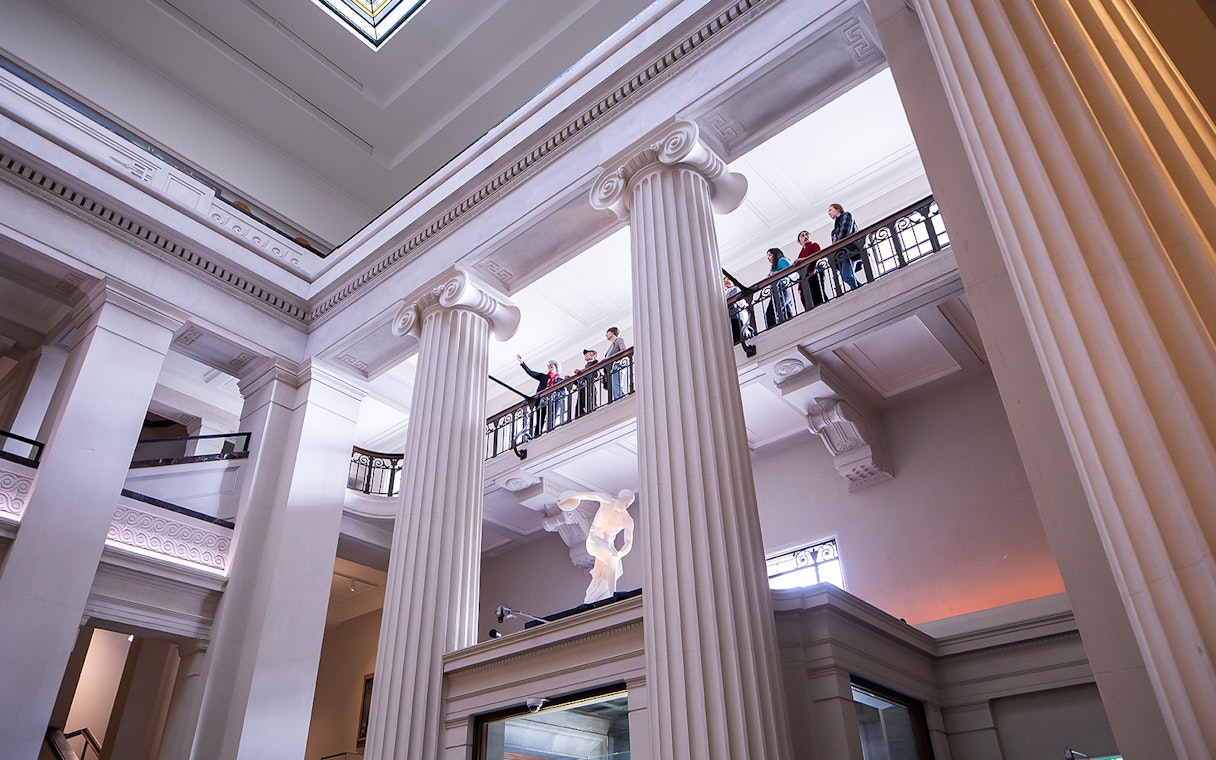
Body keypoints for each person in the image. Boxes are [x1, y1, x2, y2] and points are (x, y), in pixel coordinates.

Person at [556, 489, 636, 604]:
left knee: (615, 570)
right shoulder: (608, 501)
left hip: (607, 545)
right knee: (612, 558)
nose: (626, 505)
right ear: (620, 498)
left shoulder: (627, 519)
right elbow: (590, 496)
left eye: (629, 503)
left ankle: (598, 594)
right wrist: (573, 496)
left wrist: (621, 553)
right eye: (626, 501)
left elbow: (628, 542)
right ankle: (612, 594)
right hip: (594, 540)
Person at [517, 355, 563, 434]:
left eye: (551, 365)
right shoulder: (543, 377)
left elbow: (563, 391)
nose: (549, 366)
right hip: (541, 402)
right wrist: (522, 362)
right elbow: (531, 372)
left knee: (551, 418)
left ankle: (550, 432)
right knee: (539, 420)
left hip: (553, 402)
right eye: (549, 365)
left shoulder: (560, 380)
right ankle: (536, 435)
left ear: (556, 367)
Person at [828, 202, 862, 291]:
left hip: (850, 250)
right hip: (842, 254)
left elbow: (845, 233)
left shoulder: (846, 215)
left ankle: (859, 289)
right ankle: (857, 288)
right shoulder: (834, 230)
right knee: (845, 276)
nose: (829, 213)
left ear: (838, 209)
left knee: (846, 276)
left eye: (830, 210)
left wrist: (837, 244)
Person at [763, 247, 796, 328]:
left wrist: (776, 274)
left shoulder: (781, 260)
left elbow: (791, 270)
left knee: (770, 313)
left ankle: (773, 330)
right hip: (778, 291)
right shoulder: (774, 266)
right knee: (786, 312)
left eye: (770, 255)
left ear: (775, 254)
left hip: (782, 290)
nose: (768, 258)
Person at [794, 230, 825, 309]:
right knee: (807, 299)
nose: (805, 237)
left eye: (807, 235)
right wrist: (800, 287)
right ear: (799, 241)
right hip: (806, 278)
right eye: (802, 236)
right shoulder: (800, 253)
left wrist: (802, 260)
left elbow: (818, 255)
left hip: (814, 273)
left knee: (818, 294)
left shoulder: (814, 245)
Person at [723, 275, 751, 344]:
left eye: (728, 280)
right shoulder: (725, 292)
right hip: (731, 317)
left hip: (736, 316)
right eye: (724, 282)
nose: (726, 283)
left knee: (738, 332)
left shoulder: (735, 289)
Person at [573, 348, 599, 416]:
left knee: (589, 400)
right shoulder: (586, 366)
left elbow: (595, 374)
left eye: (587, 354)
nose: (585, 355)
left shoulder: (595, 363)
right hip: (584, 387)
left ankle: (591, 411)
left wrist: (582, 372)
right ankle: (581, 414)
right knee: (582, 401)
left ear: (593, 355)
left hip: (589, 386)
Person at [603, 327, 627, 401]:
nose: (605, 335)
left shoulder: (619, 340)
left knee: (617, 386)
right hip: (611, 369)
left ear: (613, 333)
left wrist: (609, 358)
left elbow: (623, 350)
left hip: (617, 366)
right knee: (615, 387)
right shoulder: (611, 346)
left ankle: (620, 400)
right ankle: (618, 399)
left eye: (607, 332)